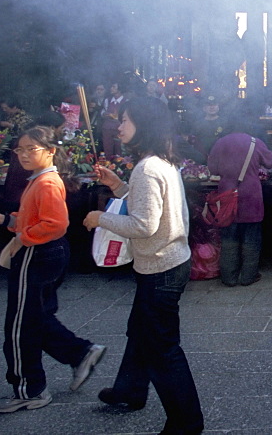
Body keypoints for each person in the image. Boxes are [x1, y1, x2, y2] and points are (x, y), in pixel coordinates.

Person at [82, 97, 204, 434]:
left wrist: (100, 218)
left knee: (163, 348)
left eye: (125, 120)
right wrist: (115, 185)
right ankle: (129, 389)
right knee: (140, 331)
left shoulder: (148, 167)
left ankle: (186, 422)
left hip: (160, 267)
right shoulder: (159, 163)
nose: (119, 126)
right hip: (170, 260)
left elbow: (144, 225)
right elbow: (147, 206)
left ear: (143, 125)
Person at [0, 125, 106, 413]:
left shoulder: (46, 183)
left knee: (20, 325)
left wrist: (22, 237)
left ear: (50, 151)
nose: (23, 154)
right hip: (49, 253)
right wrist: (5, 220)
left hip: (38, 254)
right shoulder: (42, 179)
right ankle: (80, 352)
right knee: (37, 316)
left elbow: (54, 224)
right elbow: (36, 217)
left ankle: (29, 389)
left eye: (31, 149)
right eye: (19, 149)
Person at [206, 122, 272, 286]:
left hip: (227, 195)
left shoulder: (220, 142)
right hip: (251, 196)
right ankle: (248, 277)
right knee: (251, 239)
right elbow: (270, 162)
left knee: (229, 238)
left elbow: (212, 169)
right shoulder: (254, 142)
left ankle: (229, 278)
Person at [100, 82, 126, 157]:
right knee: (107, 148)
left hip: (119, 128)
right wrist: (104, 114)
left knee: (119, 149)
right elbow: (103, 111)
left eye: (114, 87)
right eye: (111, 87)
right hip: (107, 128)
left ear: (120, 89)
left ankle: (118, 166)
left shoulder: (125, 101)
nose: (111, 88)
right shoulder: (107, 100)